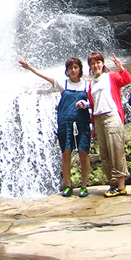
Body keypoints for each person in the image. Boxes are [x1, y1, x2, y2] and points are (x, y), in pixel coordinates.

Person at [18, 56, 91, 197]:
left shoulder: (87, 85)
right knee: (66, 154)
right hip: (65, 123)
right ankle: (68, 185)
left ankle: (84, 186)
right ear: (67, 70)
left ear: (80, 69)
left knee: (83, 154)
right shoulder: (63, 83)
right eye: (70, 68)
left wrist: (86, 105)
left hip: (82, 123)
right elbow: (44, 76)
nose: (73, 70)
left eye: (76, 67)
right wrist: (29, 68)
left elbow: (92, 103)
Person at [86, 51, 131, 198]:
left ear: (103, 63)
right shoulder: (91, 84)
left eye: (98, 62)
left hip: (112, 116)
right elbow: (93, 105)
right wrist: (93, 125)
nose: (96, 66)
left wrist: (120, 67)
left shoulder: (111, 76)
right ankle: (112, 185)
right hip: (98, 119)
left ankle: (121, 187)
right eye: (92, 64)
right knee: (104, 154)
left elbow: (126, 80)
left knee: (116, 151)